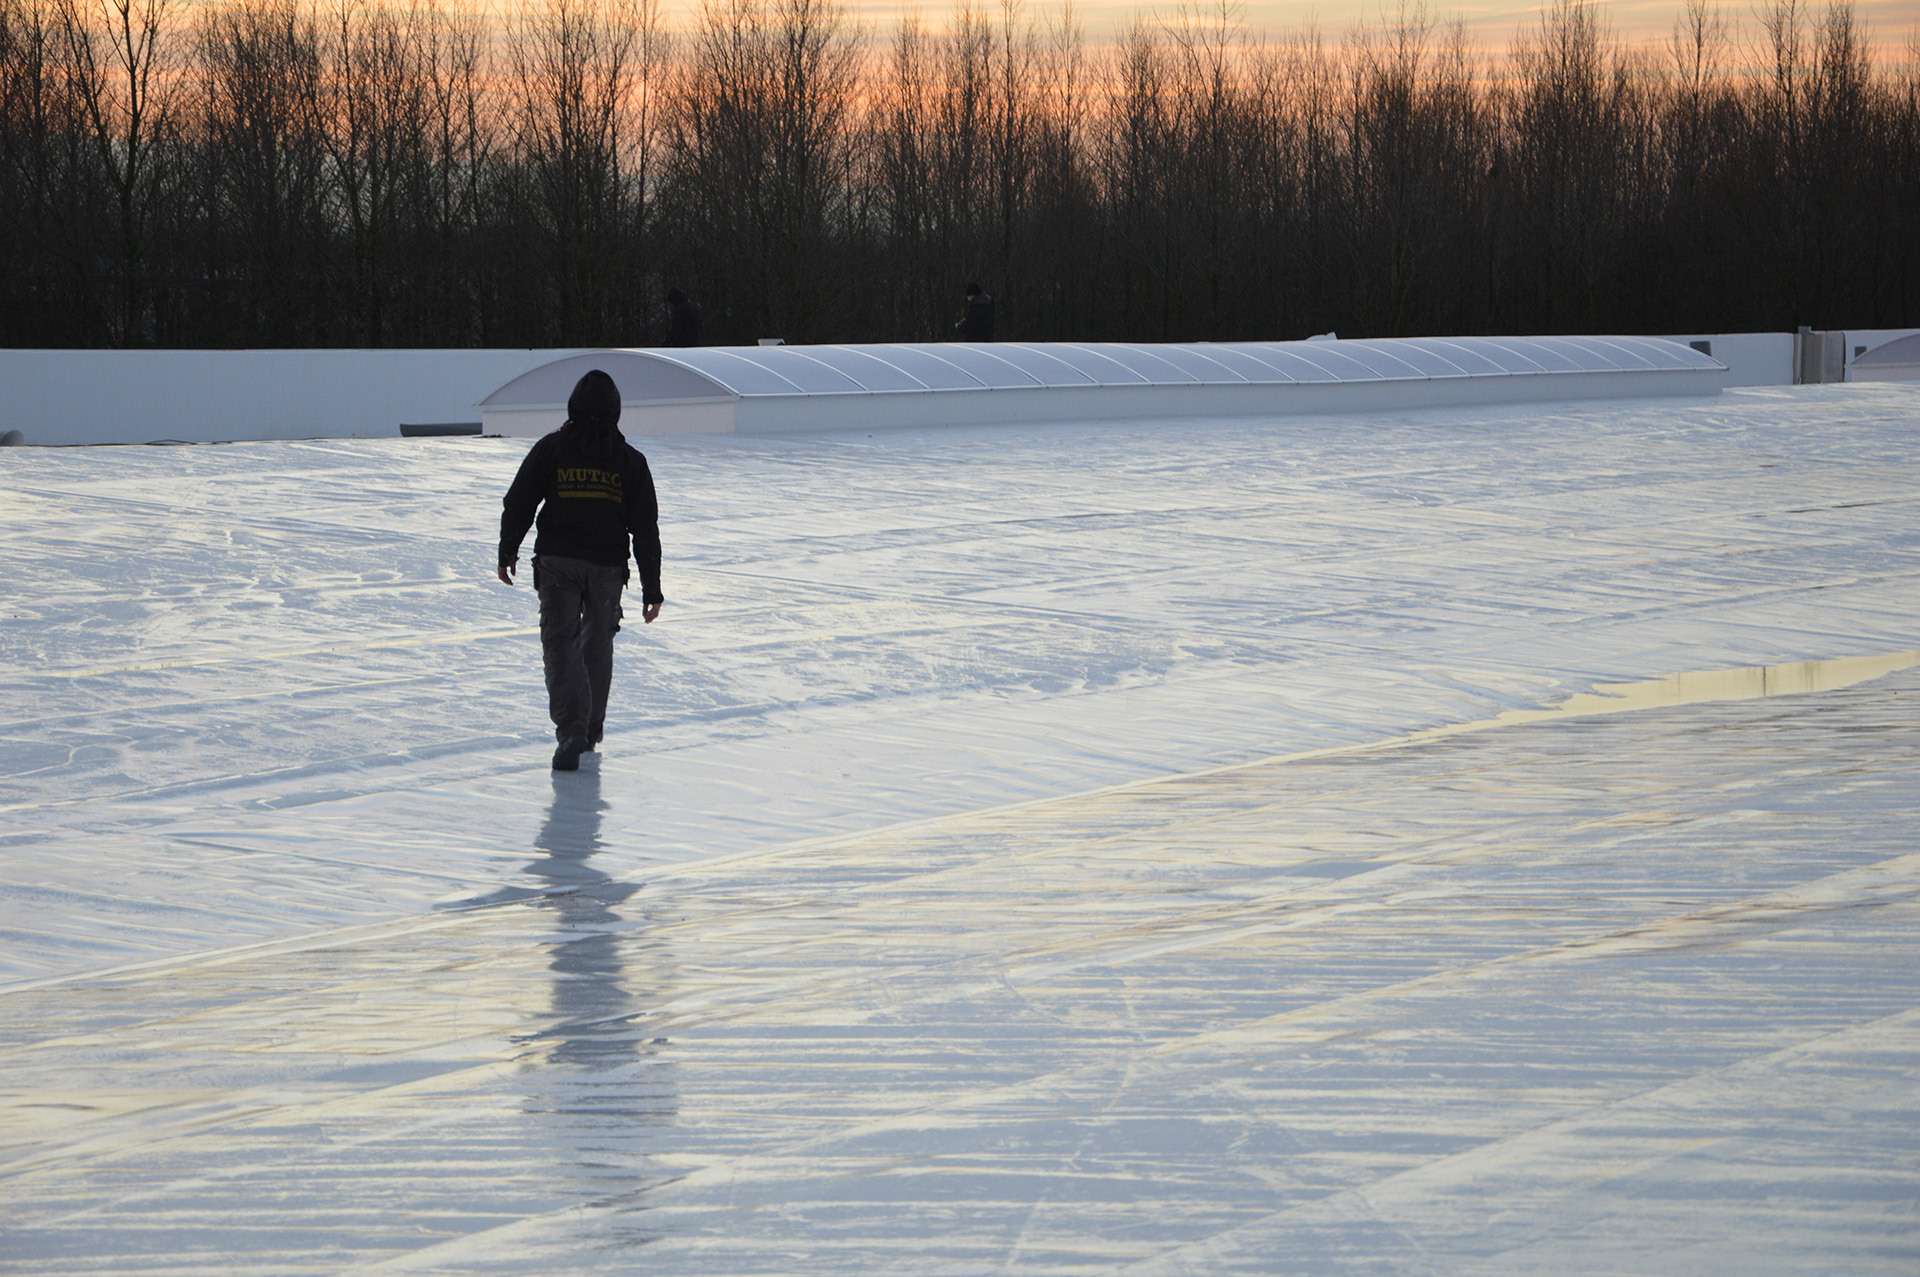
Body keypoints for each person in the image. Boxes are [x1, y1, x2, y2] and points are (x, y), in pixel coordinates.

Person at [498, 369, 664, 771]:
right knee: (597, 644)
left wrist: (508, 550)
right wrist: (651, 589)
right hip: (608, 568)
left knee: (561, 643)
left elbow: (519, 501)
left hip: (559, 563)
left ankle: (572, 730)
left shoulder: (552, 448)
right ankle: (589, 729)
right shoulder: (630, 461)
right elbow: (645, 529)